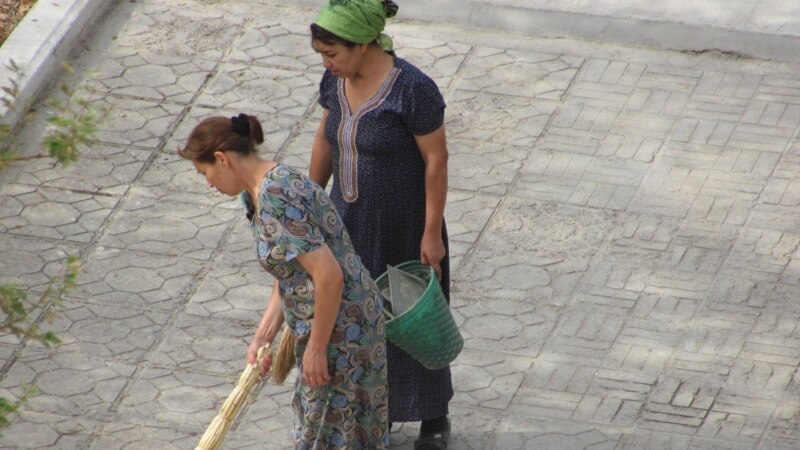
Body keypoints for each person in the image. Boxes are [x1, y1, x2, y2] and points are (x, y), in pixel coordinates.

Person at [179, 113, 389, 449]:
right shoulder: (258, 193)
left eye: (206, 173)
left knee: (326, 435)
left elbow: (329, 277)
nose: (209, 183)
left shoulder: (277, 198)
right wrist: (263, 337)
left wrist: (318, 349)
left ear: (222, 159)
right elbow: (289, 273)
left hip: (342, 330)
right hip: (329, 322)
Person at [308, 1, 453, 448]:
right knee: (361, 323)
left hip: (402, 225)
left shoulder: (412, 89)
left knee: (411, 320)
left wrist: (430, 234)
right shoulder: (335, 83)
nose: (327, 64)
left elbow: (436, 159)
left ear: (364, 43)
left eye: (333, 54)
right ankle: (379, 410)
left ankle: (433, 417)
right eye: (322, 55)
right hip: (347, 224)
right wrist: (310, 202)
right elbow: (324, 138)